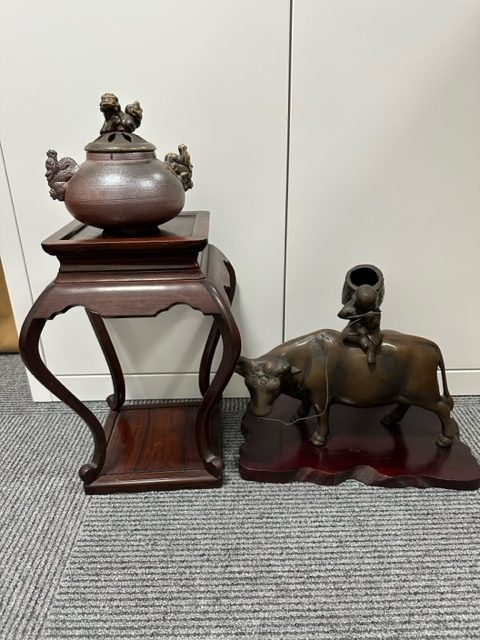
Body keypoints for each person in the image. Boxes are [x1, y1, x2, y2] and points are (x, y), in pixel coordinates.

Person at [338, 284, 382, 364]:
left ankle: (370, 351)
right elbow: (341, 314)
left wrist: (369, 319)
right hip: (354, 328)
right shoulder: (353, 304)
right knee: (345, 335)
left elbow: (373, 326)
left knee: (369, 343)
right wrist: (353, 313)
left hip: (369, 331)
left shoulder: (375, 312)